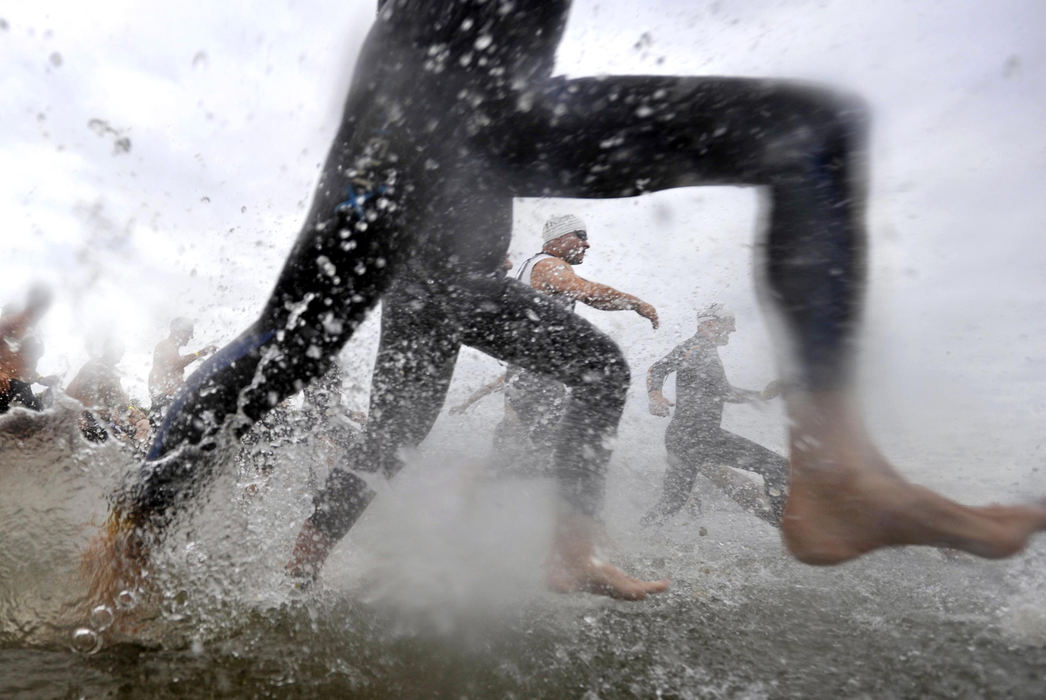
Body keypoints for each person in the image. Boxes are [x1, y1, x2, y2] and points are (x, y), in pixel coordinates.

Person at [95, 0, 1046, 608]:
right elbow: (560, 275)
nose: (581, 240)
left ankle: (212, 564)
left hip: (443, 189)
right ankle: (130, 549)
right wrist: (618, 289)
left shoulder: (521, 221)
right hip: (439, 135)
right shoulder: (552, 258)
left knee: (371, 389)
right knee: (804, 136)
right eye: (576, 237)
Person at [494, 214, 658, 474]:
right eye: (580, 236)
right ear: (558, 238)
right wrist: (636, 303)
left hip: (532, 375)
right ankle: (565, 508)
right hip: (536, 377)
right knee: (563, 453)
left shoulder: (531, 266)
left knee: (546, 452)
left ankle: (493, 495)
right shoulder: (550, 265)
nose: (587, 244)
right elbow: (585, 291)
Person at [643, 303, 788, 527]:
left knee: (673, 502)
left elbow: (724, 392)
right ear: (711, 323)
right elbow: (658, 368)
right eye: (729, 323)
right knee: (776, 466)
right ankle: (788, 528)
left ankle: (637, 536)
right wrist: (656, 396)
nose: (733, 330)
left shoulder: (706, 352)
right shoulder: (696, 348)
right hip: (698, 435)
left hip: (686, 437)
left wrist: (761, 395)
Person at [67, 337, 151, 444]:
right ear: (107, 349)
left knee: (140, 432)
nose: (121, 353)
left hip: (101, 419)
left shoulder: (113, 373)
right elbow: (82, 400)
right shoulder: (95, 367)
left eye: (122, 350)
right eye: (118, 349)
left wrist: (138, 417)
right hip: (84, 418)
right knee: (120, 439)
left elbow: (125, 402)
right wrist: (111, 416)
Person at [147, 318, 215, 423]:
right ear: (178, 330)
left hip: (167, 400)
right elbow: (175, 364)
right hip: (163, 401)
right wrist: (201, 353)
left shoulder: (172, 349)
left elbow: (174, 376)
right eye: (189, 333)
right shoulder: (165, 345)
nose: (190, 337)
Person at [0, 285, 53, 415]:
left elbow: (27, 370)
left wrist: (42, 379)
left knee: (38, 412)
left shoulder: (31, 337)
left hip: (22, 389)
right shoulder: (5, 326)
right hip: (3, 387)